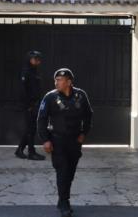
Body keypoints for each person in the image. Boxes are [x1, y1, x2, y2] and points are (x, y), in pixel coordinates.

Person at [37, 68, 93, 217]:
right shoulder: (50, 97)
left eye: (60, 80)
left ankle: (63, 199)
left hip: (74, 141)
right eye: (55, 80)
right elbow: (41, 119)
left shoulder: (80, 96)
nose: (56, 82)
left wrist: (83, 133)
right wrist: (46, 140)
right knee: (62, 171)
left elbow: (88, 115)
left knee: (70, 172)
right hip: (57, 141)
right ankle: (64, 202)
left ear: (69, 82)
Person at [15, 50, 46, 161]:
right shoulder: (26, 71)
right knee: (30, 129)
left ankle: (19, 150)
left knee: (31, 128)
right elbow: (23, 90)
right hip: (28, 105)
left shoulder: (34, 71)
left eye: (38, 59)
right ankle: (31, 153)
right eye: (35, 58)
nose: (38, 61)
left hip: (34, 103)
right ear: (29, 59)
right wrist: (28, 105)